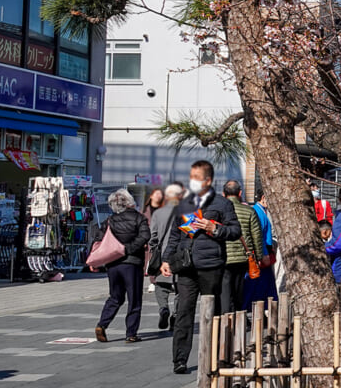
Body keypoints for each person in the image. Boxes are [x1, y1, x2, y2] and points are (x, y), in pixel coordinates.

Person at [161, 159, 242, 375]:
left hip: (211, 265)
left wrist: (214, 228)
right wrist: (167, 259)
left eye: (196, 178)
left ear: (208, 180)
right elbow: (175, 234)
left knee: (213, 312)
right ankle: (179, 359)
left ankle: (214, 357)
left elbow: (235, 231)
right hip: (186, 265)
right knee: (183, 312)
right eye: (191, 178)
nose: (192, 182)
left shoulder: (222, 204)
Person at [94, 189, 151, 343]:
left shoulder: (110, 220)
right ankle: (131, 333)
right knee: (134, 299)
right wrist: (130, 248)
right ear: (130, 202)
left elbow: (99, 238)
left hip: (113, 263)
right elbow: (146, 235)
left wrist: (95, 260)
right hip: (132, 263)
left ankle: (102, 324)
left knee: (115, 296)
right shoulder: (139, 218)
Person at [148, 182, 186, 331]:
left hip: (163, 254)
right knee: (180, 287)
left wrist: (154, 248)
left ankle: (163, 308)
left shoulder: (159, 213)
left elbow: (153, 236)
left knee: (161, 284)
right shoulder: (186, 213)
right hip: (181, 254)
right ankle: (176, 315)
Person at [221, 180, 263, 313]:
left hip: (223, 256)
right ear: (240, 193)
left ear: (223, 194)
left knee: (225, 290)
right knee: (239, 288)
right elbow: (256, 235)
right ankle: (238, 316)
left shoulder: (219, 212)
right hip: (243, 256)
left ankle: (225, 317)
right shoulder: (249, 211)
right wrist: (259, 256)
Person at [245, 188, 280, 302]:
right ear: (264, 198)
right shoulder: (257, 212)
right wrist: (263, 254)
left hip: (265, 253)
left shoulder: (261, 211)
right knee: (258, 288)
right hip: (262, 255)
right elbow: (257, 236)